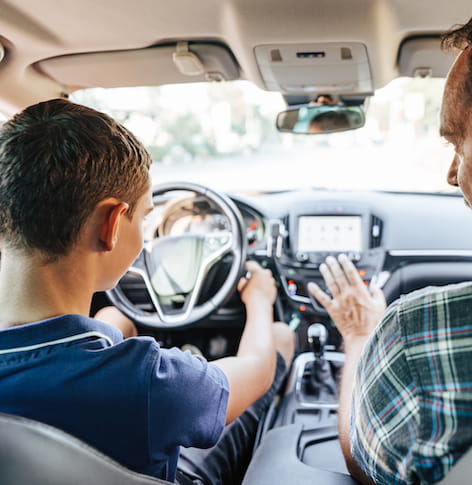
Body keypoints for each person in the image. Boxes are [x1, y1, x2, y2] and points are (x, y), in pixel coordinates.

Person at [0, 99, 294, 485]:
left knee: (115, 319)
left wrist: (114, 327)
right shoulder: (149, 382)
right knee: (279, 337)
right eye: (144, 216)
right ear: (111, 224)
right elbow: (256, 369)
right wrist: (260, 300)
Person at [308, 0, 472, 485]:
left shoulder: (420, 339)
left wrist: (362, 334)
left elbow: (363, 462)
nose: (452, 175)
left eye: (457, 139)